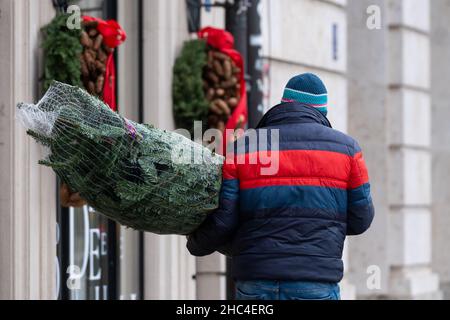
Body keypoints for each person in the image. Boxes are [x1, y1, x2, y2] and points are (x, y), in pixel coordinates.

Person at [186, 73, 375, 300]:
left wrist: (196, 243)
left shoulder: (244, 148)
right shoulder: (348, 150)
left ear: (284, 104)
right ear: (321, 111)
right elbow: (361, 219)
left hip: (256, 281)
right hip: (315, 282)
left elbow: (225, 219)